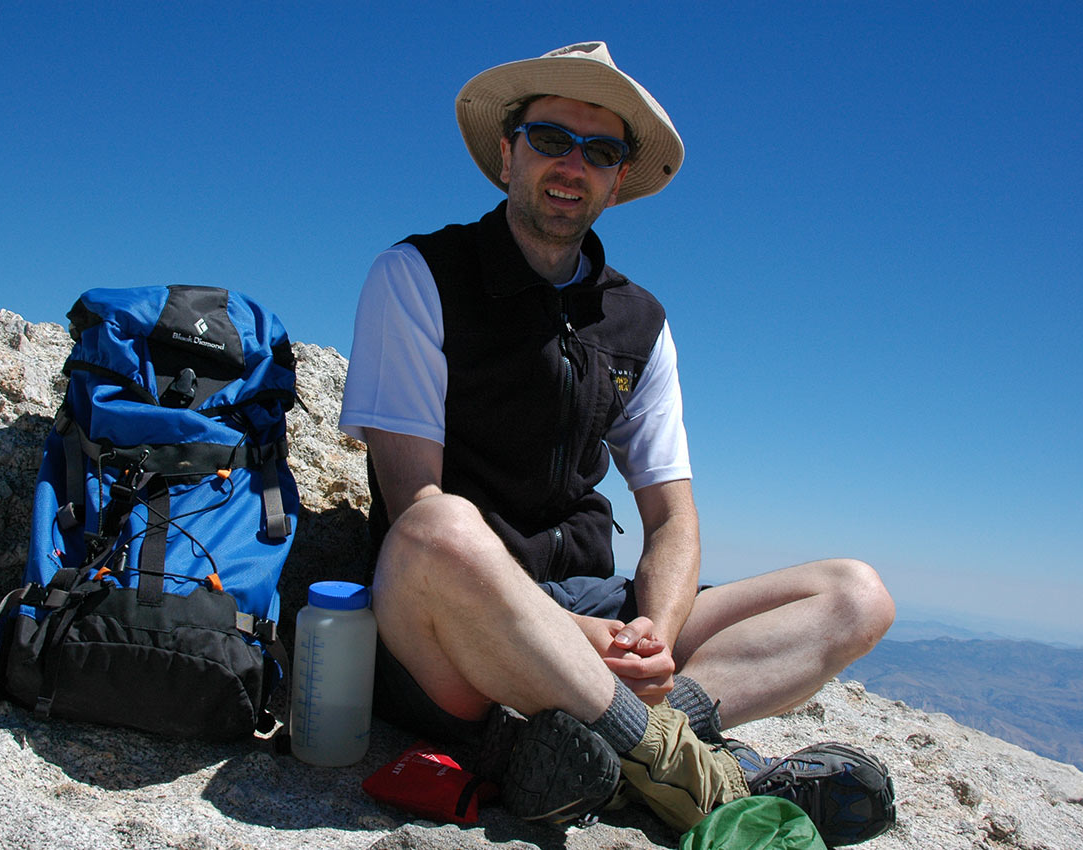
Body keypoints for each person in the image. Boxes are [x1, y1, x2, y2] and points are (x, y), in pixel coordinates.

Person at [340, 42, 896, 844]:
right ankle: (689, 772)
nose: (573, 165)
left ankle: (605, 739)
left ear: (617, 179)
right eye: (551, 139)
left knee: (856, 593)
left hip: (594, 613)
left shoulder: (638, 321)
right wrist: (573, 635)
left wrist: (654, 639)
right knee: (439, 528)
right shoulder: (419, 275)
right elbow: (412, 505)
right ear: (507, 151)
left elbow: (671, 516)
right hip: (453, 622)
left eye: (600, 152)